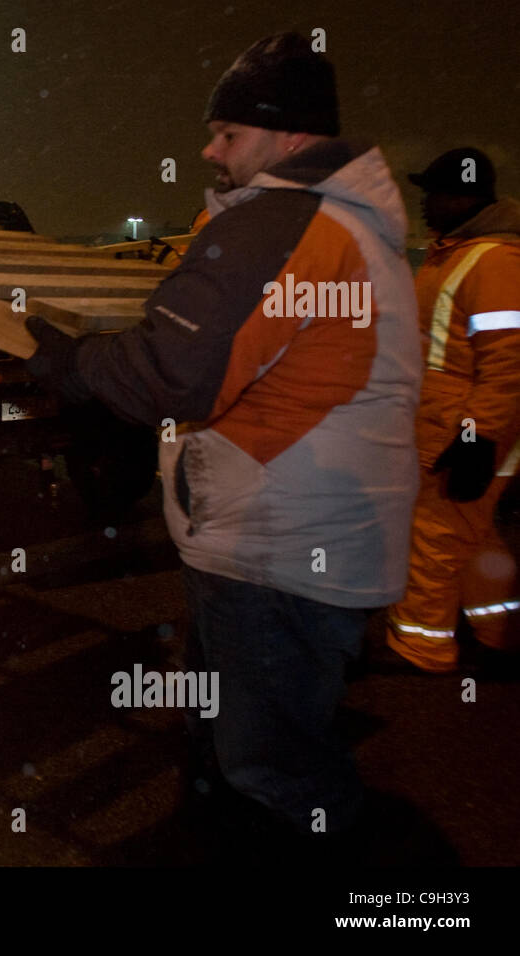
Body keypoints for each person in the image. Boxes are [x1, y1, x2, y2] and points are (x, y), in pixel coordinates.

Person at [25, 33, 421, 847]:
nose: (209, 149)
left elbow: (174, 374)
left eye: (229, 133)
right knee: (239, 732)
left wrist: (69, 363)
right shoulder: (341, 222)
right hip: (284, 531)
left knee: (273, 764)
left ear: (291, 137)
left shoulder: (287, 222)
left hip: (277, 548)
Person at [385, 148, 520, 673]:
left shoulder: (494, 262)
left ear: (464, 198)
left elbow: (509, 362)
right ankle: (496, 627)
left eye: (433, 194)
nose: (424, 204)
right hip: (456, 429)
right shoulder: (461, 254)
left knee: (435, 539)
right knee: (473, 534)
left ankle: (421, 647)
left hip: (465, 434)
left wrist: (477, 437)